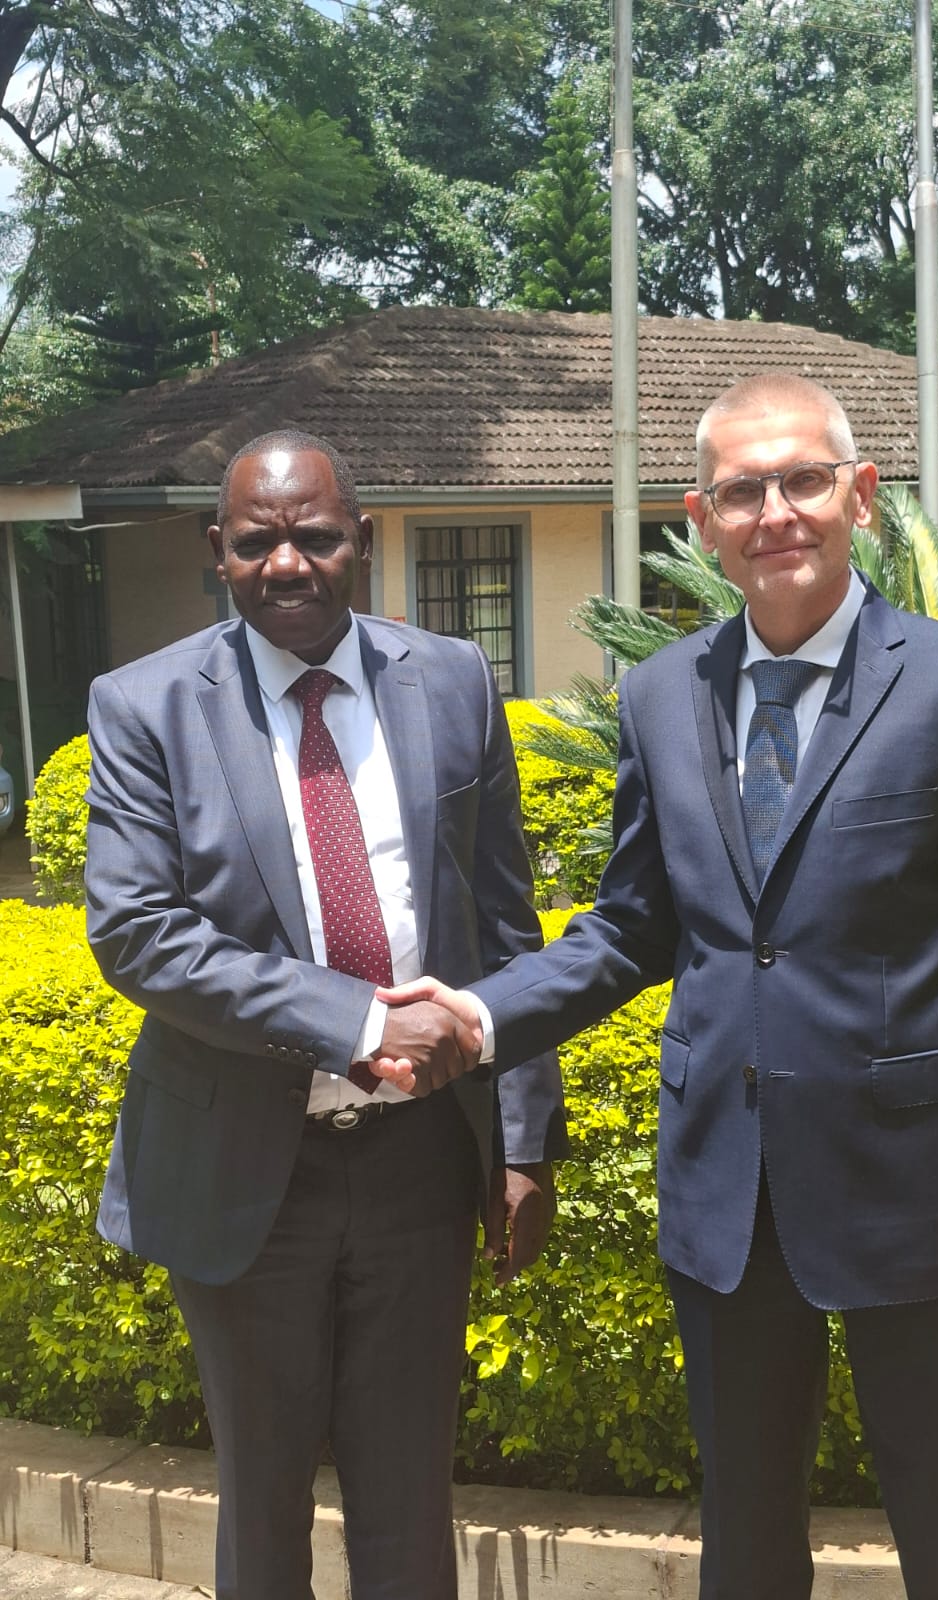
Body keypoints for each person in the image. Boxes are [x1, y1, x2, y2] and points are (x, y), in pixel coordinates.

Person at [381, 377, 938, 1600]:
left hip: (912, 1198)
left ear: (861, 494)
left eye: (804, 479)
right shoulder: (660, 695)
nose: (776, 513)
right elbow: (631, 926)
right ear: (701, 521)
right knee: (744, 1539)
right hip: (726, 1191)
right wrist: (483, 1014)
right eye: (743, 492)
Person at [84, 431, 567, 1600]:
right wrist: (357, 1022)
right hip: (248, 1170)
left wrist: (522, 1139)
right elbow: (137, 931)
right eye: (257, 542)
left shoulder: (452, 680)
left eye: (314, 535)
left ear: (362, 537)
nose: (287, 563)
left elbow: (505, 928)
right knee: (263, 1505)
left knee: (410, 1498)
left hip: (419, 1165)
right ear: (217, 550)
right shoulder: (145, 705)